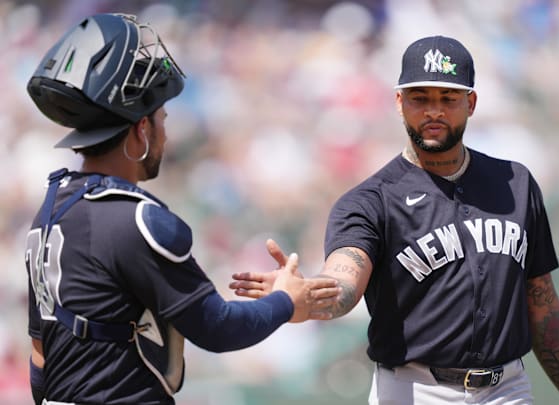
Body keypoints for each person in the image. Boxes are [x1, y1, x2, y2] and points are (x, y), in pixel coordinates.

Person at [231, 35, 559, 404]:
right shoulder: (370, 201)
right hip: (414, 391)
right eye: (420, 98)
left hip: (507, 389)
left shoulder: (516, 184)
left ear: (470, 103)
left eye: (448, 98)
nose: (434, 111)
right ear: (399, 102)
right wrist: (308, 298)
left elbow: (543, 306)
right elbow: (344, 281)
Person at [24, 13, 339, 405]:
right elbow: (217, 329)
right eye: (162, 119)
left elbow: (40, 357)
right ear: (141, 129)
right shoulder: (135, 219)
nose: (166, 133)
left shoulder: (52, 208)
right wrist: (287, 302)